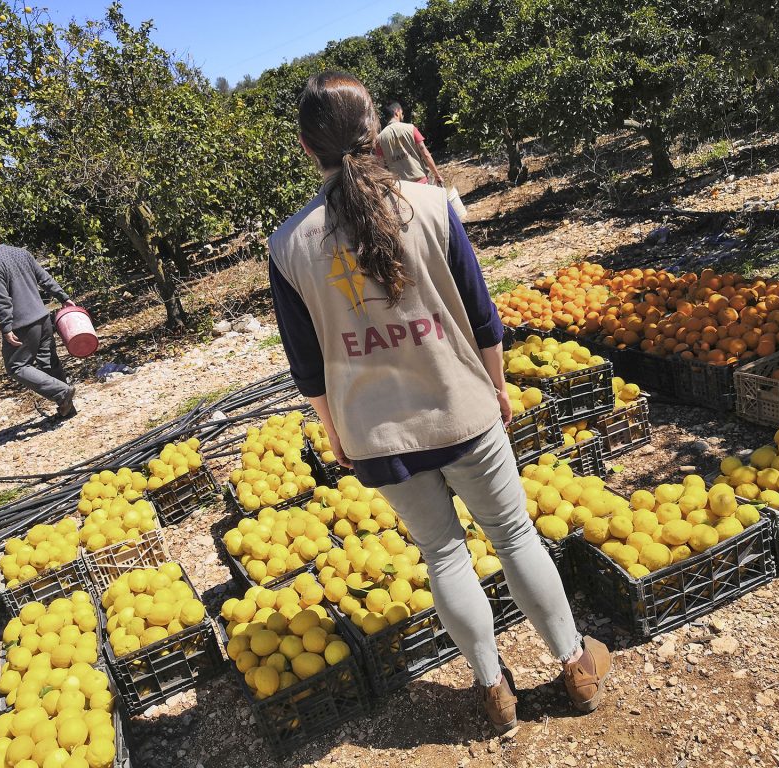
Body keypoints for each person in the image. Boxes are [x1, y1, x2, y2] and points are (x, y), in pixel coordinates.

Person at [268, 72, 611, 735]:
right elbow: (484, 319)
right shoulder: (428, 205)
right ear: (375, 133)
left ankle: (492, 691)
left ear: (306, 148)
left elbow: (307, 366)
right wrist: (499, 385)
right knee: (514, 539)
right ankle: (575, 668)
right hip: (462, 409)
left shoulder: (289, 245)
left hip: (378, 433)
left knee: (443, 555)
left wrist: (333, 430)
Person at [0, 224, 78, 419]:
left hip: (22, 324)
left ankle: (62, 393)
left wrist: (5, 326)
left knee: (16, 366)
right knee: (49, 363)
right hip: (43, 317)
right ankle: (67, 408)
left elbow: (0, 299)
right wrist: (63, 297)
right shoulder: (21, 253)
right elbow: (44, 278)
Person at [375, 101, 444, 185]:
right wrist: (437, 175)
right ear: (397, 112)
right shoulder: (411, 128)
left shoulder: (379, 139)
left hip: (401, 188)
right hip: (421, 183)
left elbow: (380, 166)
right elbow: (425, 153)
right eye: (402, 112)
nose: (403, 115)